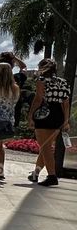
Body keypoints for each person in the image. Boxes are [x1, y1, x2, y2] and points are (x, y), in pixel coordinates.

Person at [26, 57, 72, 187]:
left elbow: (38, 99)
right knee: (46, 146)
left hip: (44, 113)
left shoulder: (41, 80)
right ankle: (35, 174)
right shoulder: (63, 82)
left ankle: (52, 176)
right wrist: (66, 120)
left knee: (45, 147)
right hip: (58, 115)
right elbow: (66, 103)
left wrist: (30, 116)